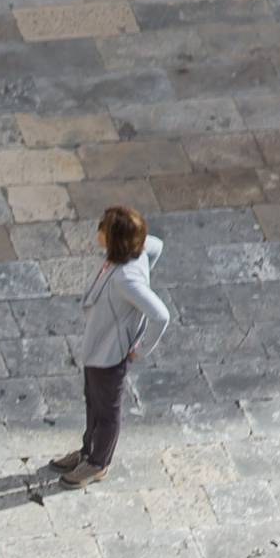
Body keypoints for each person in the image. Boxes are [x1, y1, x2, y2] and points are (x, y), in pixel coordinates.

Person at [56, 205, 170, 490]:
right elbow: (154, 245)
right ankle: (87, 451)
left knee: (106, 411)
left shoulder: (125, 279)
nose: (98, 232)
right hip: (97, 347)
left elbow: (161, 315)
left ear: (114, 239)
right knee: (93, 402)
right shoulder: (135, 256)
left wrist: (139, 348)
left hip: (109, 354)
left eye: (103, 228)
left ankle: (98, 463)